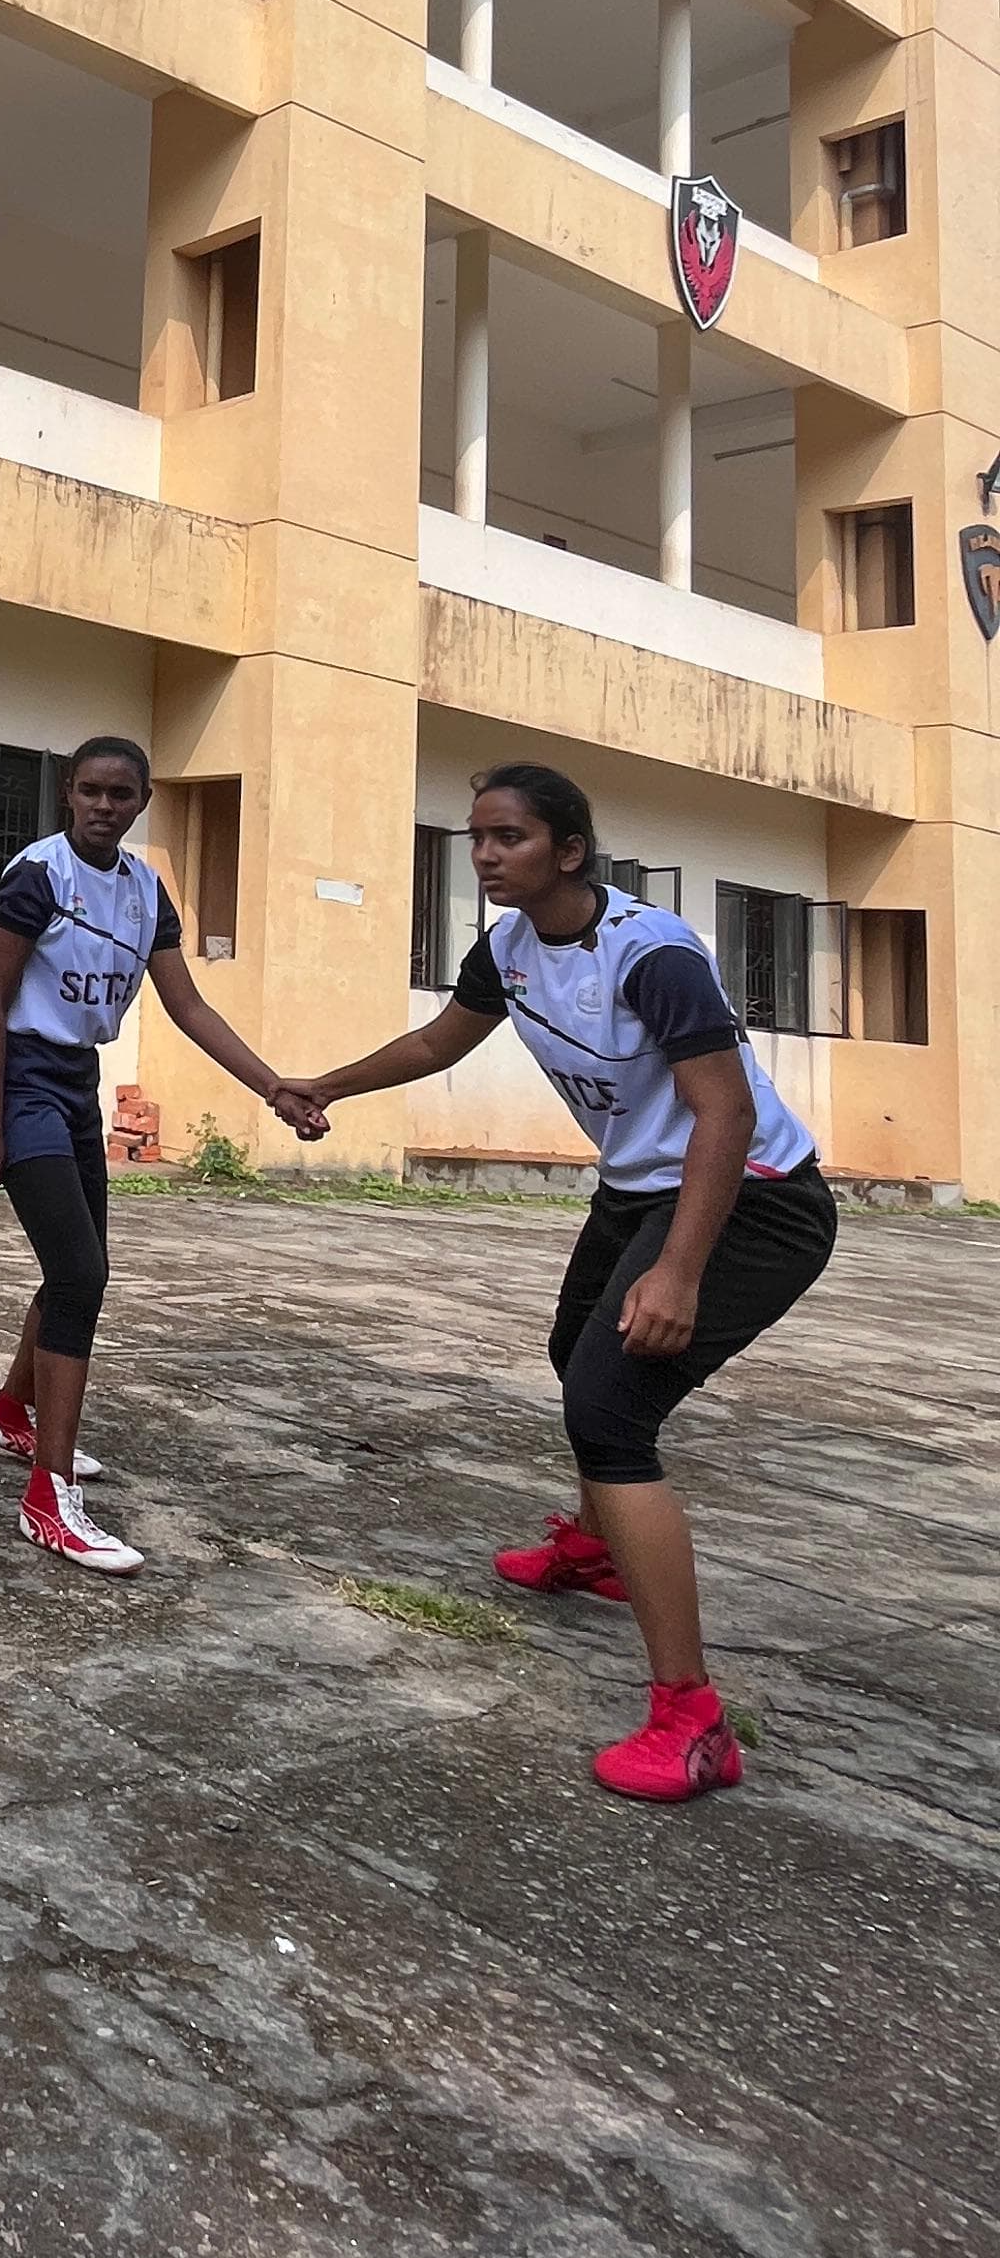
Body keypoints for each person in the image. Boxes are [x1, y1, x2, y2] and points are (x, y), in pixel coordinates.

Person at [272, 762, 836, 1801]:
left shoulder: (653, 954)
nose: (486, 856)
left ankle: (695, 1721)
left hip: (752, 1200)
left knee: (610, 1413)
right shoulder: (509, 947)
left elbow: (727, 1113)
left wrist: (679, 1273)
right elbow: (442, 1038)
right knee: (573, 1352)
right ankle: (598, 1551)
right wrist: (330, 1085)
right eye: (478, 837)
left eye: (510, 838)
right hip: (638, 1188)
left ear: (569, 851)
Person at [0, 734, 311, 1577]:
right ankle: (49, 1499)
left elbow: (188, 1006)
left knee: (80, 1267)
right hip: (24, 1079)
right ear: (68, 792)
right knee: (79, 1274)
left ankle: (13, 1412)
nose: (104, 806)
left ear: (142, 801)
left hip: (76, 1080)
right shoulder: (38, 875)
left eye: (121, 794)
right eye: (90, 790)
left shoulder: (146, 890)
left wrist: (273, 1085)